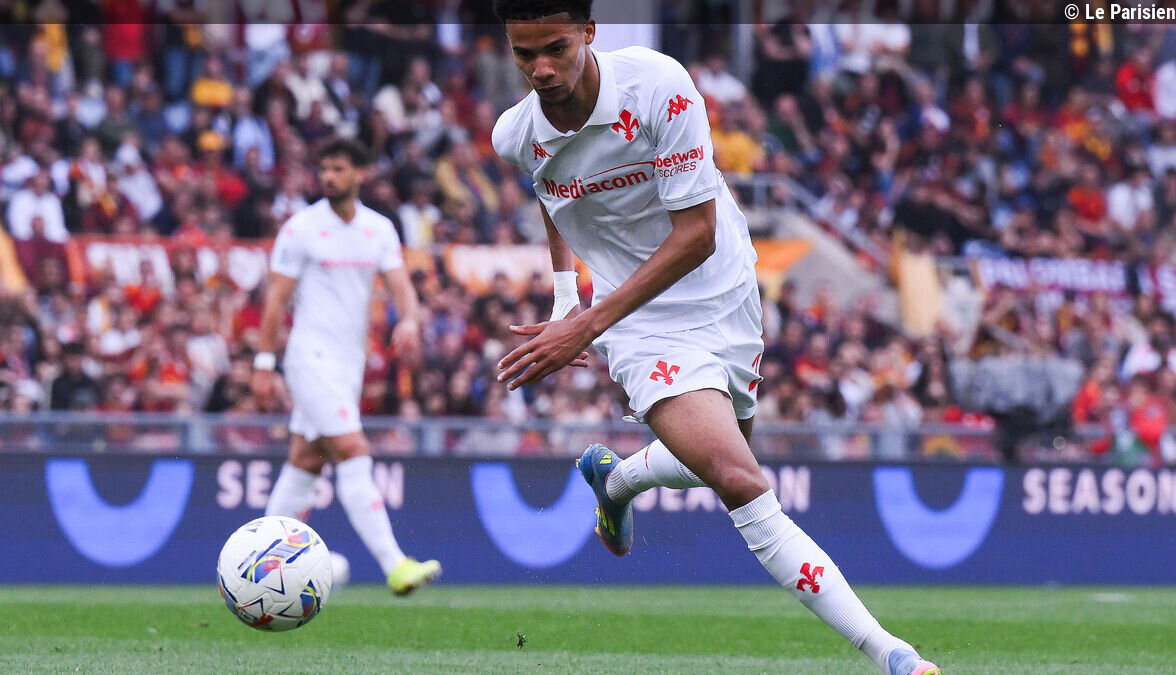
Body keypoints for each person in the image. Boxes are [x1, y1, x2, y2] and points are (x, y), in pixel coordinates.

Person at [489, 3, 940, 674]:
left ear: (589, 33)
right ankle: (893, 654)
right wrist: (567, 299)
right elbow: (550, 190)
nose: (542, 69)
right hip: (636, 320)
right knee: (738, 478)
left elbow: (698, 234)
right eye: (525, 55)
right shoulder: (515, 133)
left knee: (727, 453)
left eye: (556, 47)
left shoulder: (657, 86)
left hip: (724, 288)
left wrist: (581, 322)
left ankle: (618, 480)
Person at [251, 136, 441, 596]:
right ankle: (395, 565)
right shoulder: (301, 228)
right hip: (309, 358)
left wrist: (409, 321)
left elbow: (400, 285)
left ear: (361, 173)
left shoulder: (378, 229)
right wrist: (263, 363)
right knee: (353, 449)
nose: (329, 177)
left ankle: (252, 563)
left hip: (348, 365)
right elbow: (276, 299)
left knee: (307, 459)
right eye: (325, 169)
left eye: (339, 169)